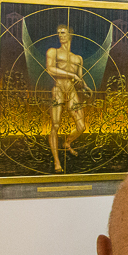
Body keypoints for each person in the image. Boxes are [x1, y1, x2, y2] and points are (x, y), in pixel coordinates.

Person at [45, 24, 89, 172]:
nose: (60, 35)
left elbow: (80, 78)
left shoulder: (78, 58)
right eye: (59, 33)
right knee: (55, 126)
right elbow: (50, 69)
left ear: (70, 34)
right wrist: (71, 75)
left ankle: (67, 142)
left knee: (81, 127)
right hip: (58, 90)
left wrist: (85, 87)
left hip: (71, 92)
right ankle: (57, 162)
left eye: (63, 33)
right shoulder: (53, 52)